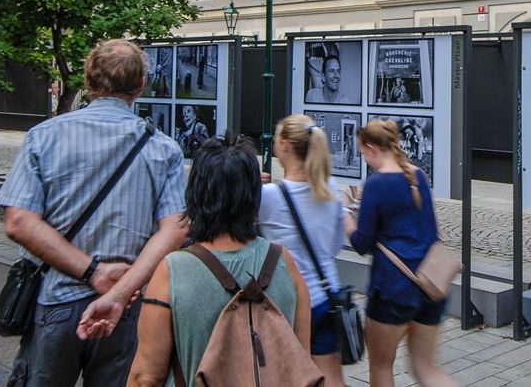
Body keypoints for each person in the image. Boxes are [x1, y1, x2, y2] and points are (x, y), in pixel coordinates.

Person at [0, 39, 188, 386]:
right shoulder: (163, 148)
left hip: (56, 300)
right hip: (127, 308)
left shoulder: (44, 137)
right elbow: (174, 229)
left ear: (88, 81)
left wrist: (92, 272)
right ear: (140, 85)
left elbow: (19, 222)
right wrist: (116, 290)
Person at [125, 134, 311, 386]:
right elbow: (301, 362)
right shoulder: (284, 263)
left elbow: (146, 377)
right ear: (253, 195)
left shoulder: (172, 271)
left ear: (196, 193)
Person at [343, 120, 457, 387]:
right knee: (425, 368)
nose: (365, 160)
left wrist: (346, 216)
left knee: (382, 368)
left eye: (363, 153)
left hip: (393, 288)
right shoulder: (417, 176)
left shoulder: (376, 184)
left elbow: (363, 243)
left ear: (371, 148)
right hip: (431, 285)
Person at [257, 115, 346, 387]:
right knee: (332, 379)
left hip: (290, 303)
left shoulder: (268, 196)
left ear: (284, 145)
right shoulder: (331, 189)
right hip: (328, 295)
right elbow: (335, 246)